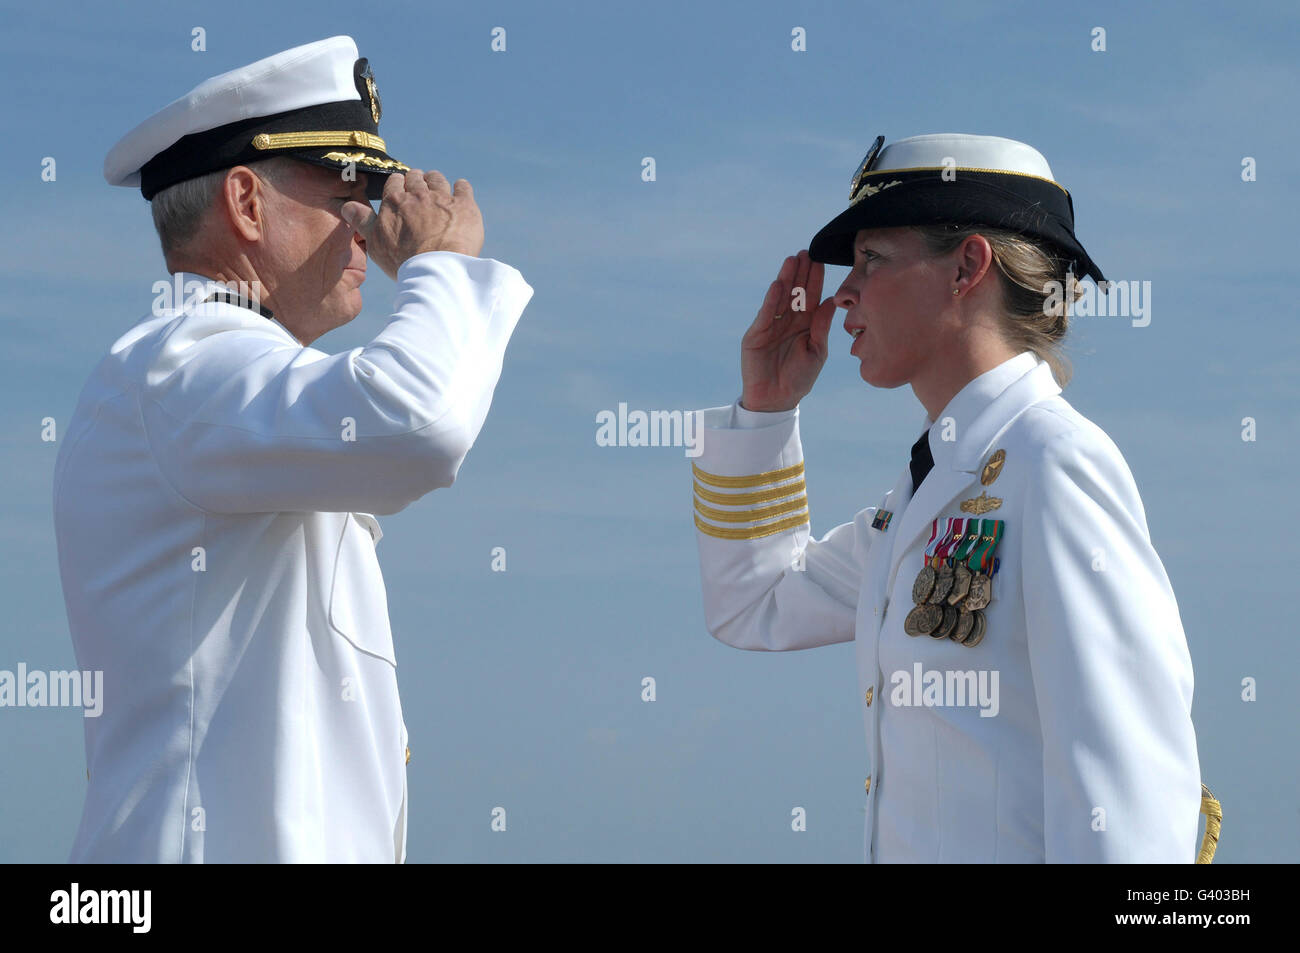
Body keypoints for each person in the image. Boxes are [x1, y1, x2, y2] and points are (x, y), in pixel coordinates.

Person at [54, 36, 533, 862]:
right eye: (351, 191)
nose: (369, 224)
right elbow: (420, 421)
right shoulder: (186, 361)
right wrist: (440, 265)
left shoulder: (222, 380)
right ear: (245, 202)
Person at [689, 133, 1213, 862]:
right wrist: (766, 410)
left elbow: (1129, 798)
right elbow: (756, 603)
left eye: (873, 259)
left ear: (967, 267)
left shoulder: (1053, 464)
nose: (843, 292)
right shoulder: (924, 491)